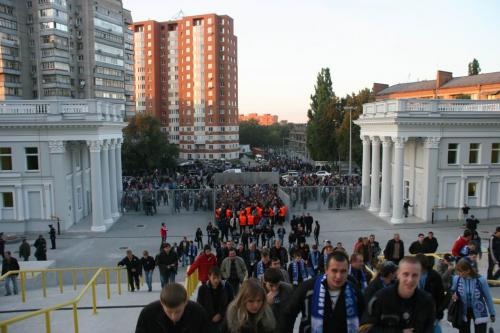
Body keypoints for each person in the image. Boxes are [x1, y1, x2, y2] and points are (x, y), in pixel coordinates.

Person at [283, 251, 365, 333]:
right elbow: (288, 314)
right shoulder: (307, 288)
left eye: (343, 271)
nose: (338, 276)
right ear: (326, 270)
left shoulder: (354, 291)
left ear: (348, 271)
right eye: (334, 271)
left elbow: (364, 318)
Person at [361, 256, 436, 332]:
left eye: (415, 275)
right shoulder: (381, 298)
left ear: (420, 276)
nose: (410, 280)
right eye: (406, 274)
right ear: (398, 274)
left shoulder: (427, 301)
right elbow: (365, 329)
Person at [135, 282, 210, 333]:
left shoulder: (199, 313)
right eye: (169, 312)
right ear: (161, 302)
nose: (173, 317)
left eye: (178, 311)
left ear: (186, 301)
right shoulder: (148, 314)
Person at [451, 258, 496, 333]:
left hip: (480, 311)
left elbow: (488, 297)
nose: (458, 273)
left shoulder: (481, 280)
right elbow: (452, 291)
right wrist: (454, 295)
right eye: (457, 271)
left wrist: (492, 313)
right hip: (463, 311)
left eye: (460, 271)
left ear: (468, 271)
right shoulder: (456, 279)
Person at [197, 267, 234, 333]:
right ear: (209, 276)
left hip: (224, 321)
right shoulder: (202, 289)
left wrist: (221, 314)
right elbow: (199, 305)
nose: (216, 280)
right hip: (208, 321)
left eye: (218, 278)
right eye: (214, 278)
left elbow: (232, 303)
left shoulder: (227, 286)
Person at [416, 254, 445, 332]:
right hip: (417, 311)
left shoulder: (435, 276)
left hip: (433, 311)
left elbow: (440, 295)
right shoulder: (413, 275)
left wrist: (439, 311)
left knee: (434, 329)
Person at [263, 268, 293, 333]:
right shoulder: (259, 292)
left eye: (277, 285)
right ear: (265, 281)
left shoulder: (288, 289)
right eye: (271, 285)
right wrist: (266, 304)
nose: (274, 288)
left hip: (285, 328)